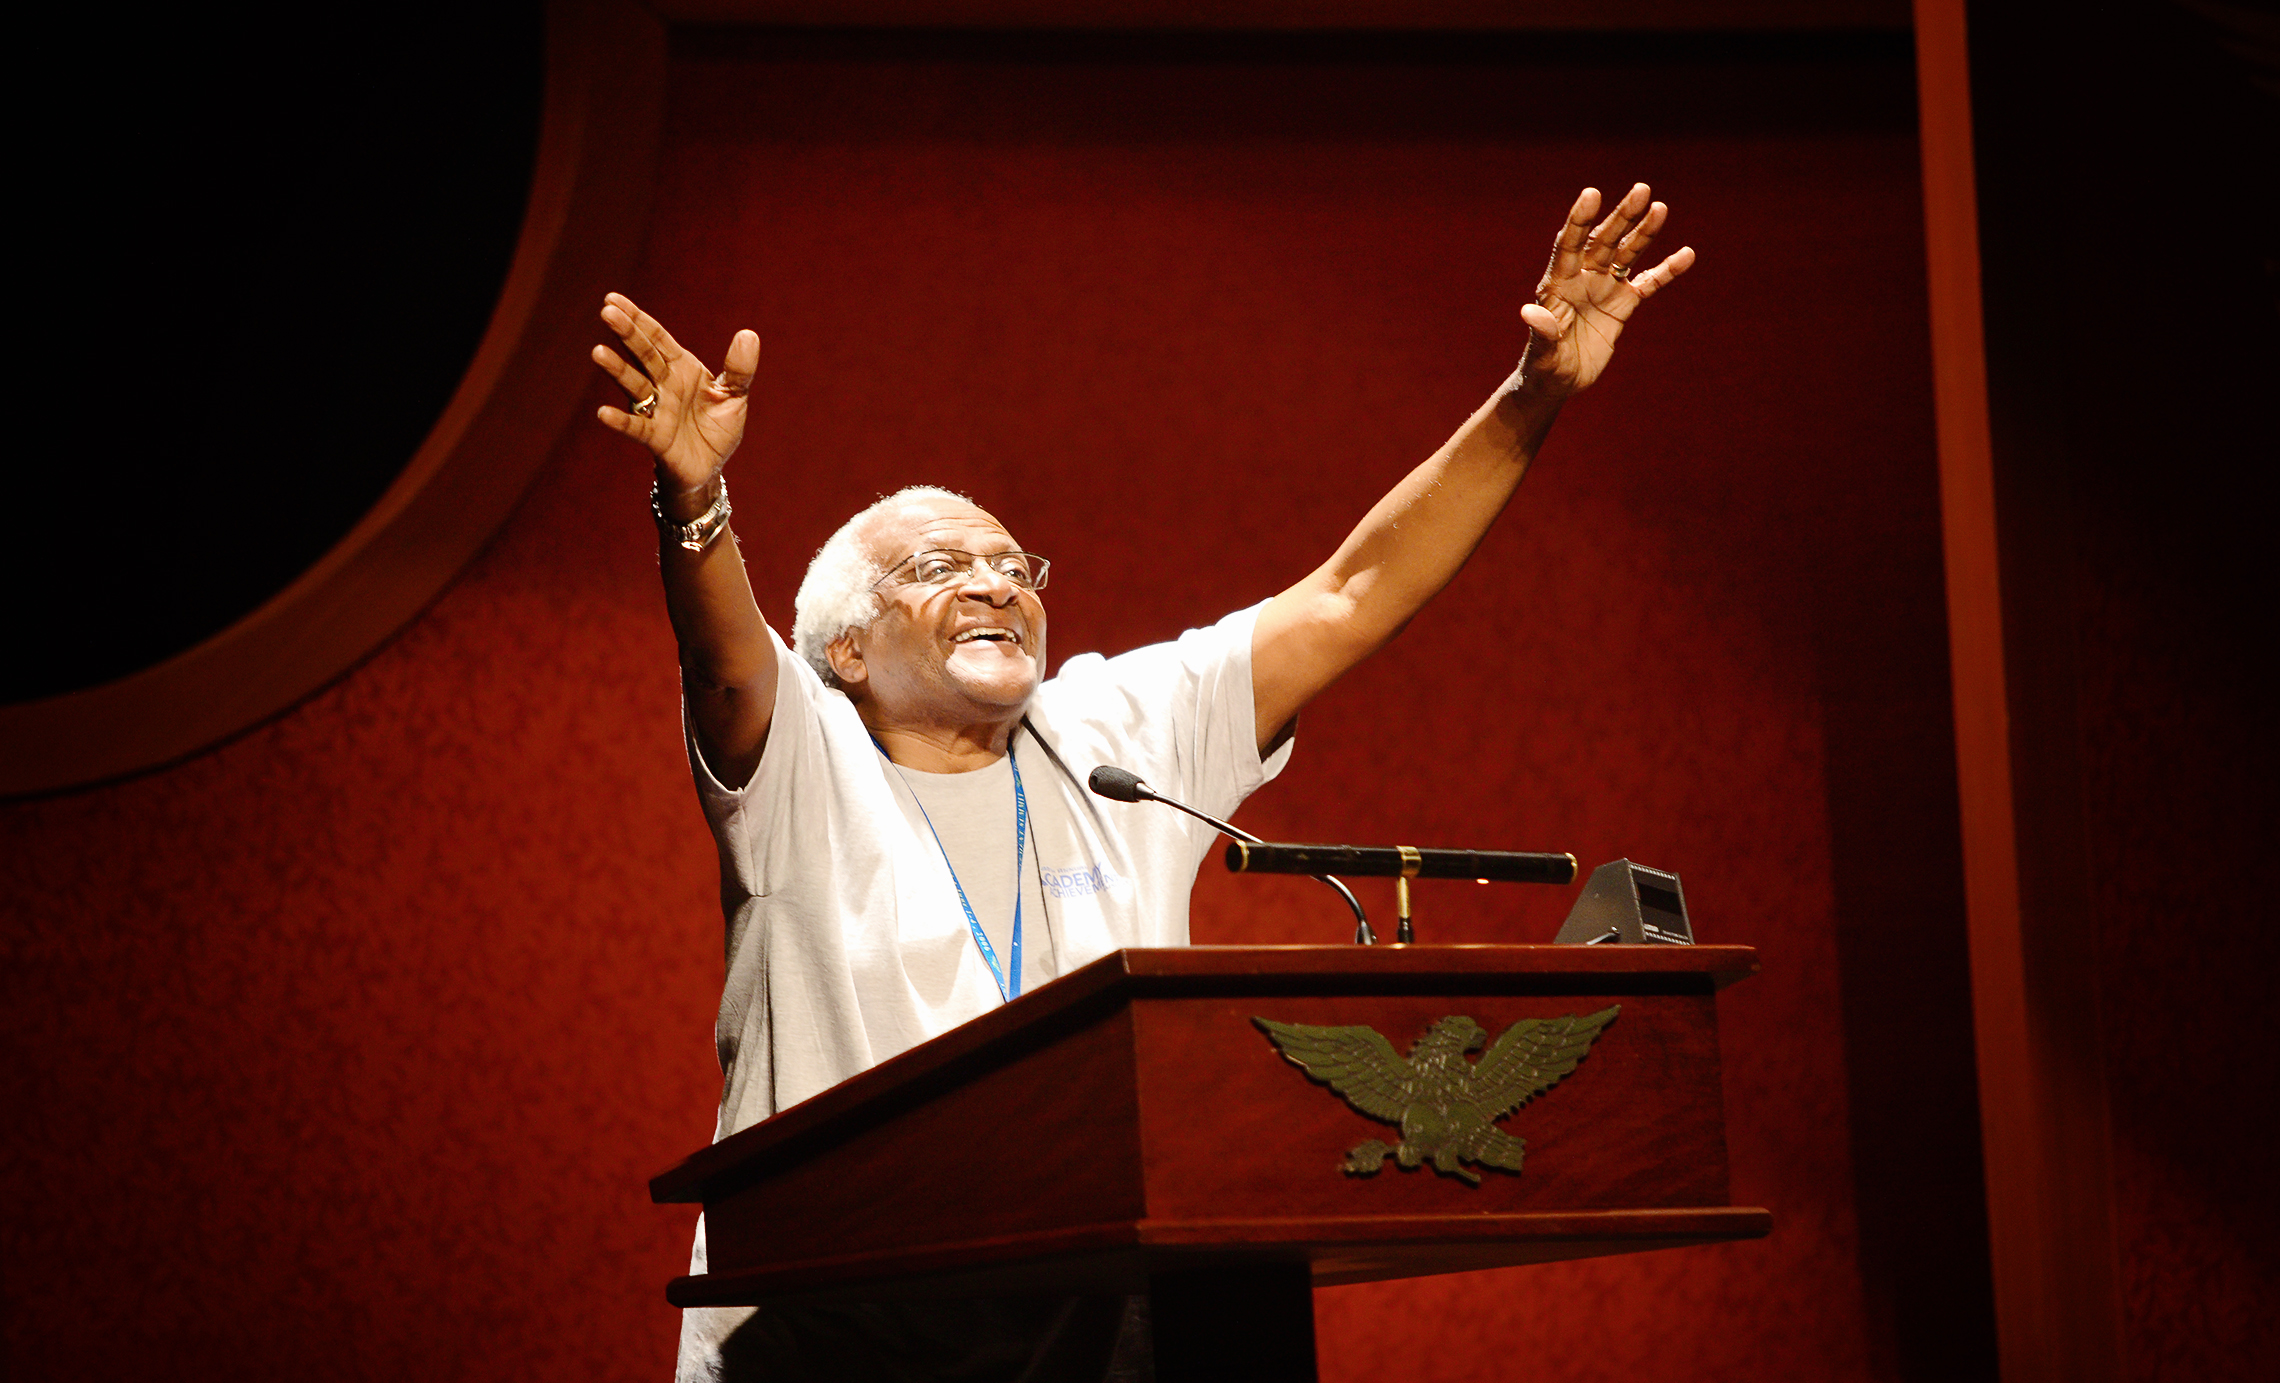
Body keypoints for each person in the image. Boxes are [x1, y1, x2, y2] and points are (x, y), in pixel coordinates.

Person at [593, 184, 1693, 1383]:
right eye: (942, 566)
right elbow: (723, 660)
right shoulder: (807, 751)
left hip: (1104, 1329)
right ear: (846, 650)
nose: (1000, 583)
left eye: (1016, 564)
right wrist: (693, 497)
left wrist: (1532, 395)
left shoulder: (1116, 730)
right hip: (836, 1334)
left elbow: (1350, 593)